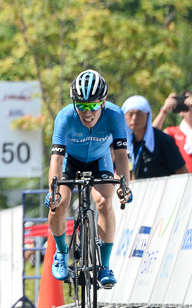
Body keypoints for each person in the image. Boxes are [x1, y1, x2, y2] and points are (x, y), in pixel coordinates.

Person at [46, 70, 132, 288]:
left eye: (93, 105)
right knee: (59, 204)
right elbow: (56, 159)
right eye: (82, 106)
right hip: (70, 160)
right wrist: (53, 190)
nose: (87, 112)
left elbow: (121, 156)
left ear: (103, 102)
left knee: (104, 203)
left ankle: (104, 266)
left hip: (100, 159)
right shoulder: (65, 116)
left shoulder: (115, 114)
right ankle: (61, 251)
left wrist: (125, 186)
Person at [121, 95, 187, 179]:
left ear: (147, 115)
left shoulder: (164, 140)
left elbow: (183, 173)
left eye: (139, 114)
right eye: (130, 114)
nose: (134, 118)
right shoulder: (125, 144)